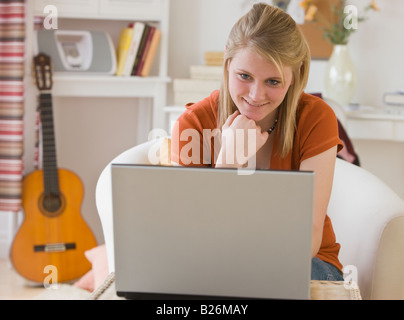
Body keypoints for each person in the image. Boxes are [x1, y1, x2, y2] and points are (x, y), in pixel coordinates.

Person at [170, 3, 344, 281]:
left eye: (273, 81)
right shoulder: (193, 124)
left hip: (307, 264)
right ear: (228, 65)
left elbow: (307, 240)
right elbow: (193, 237)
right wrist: (228, 162)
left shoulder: (316, 118)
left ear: (294, 76)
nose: (255, 94)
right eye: (244, 76)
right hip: (217, 264)